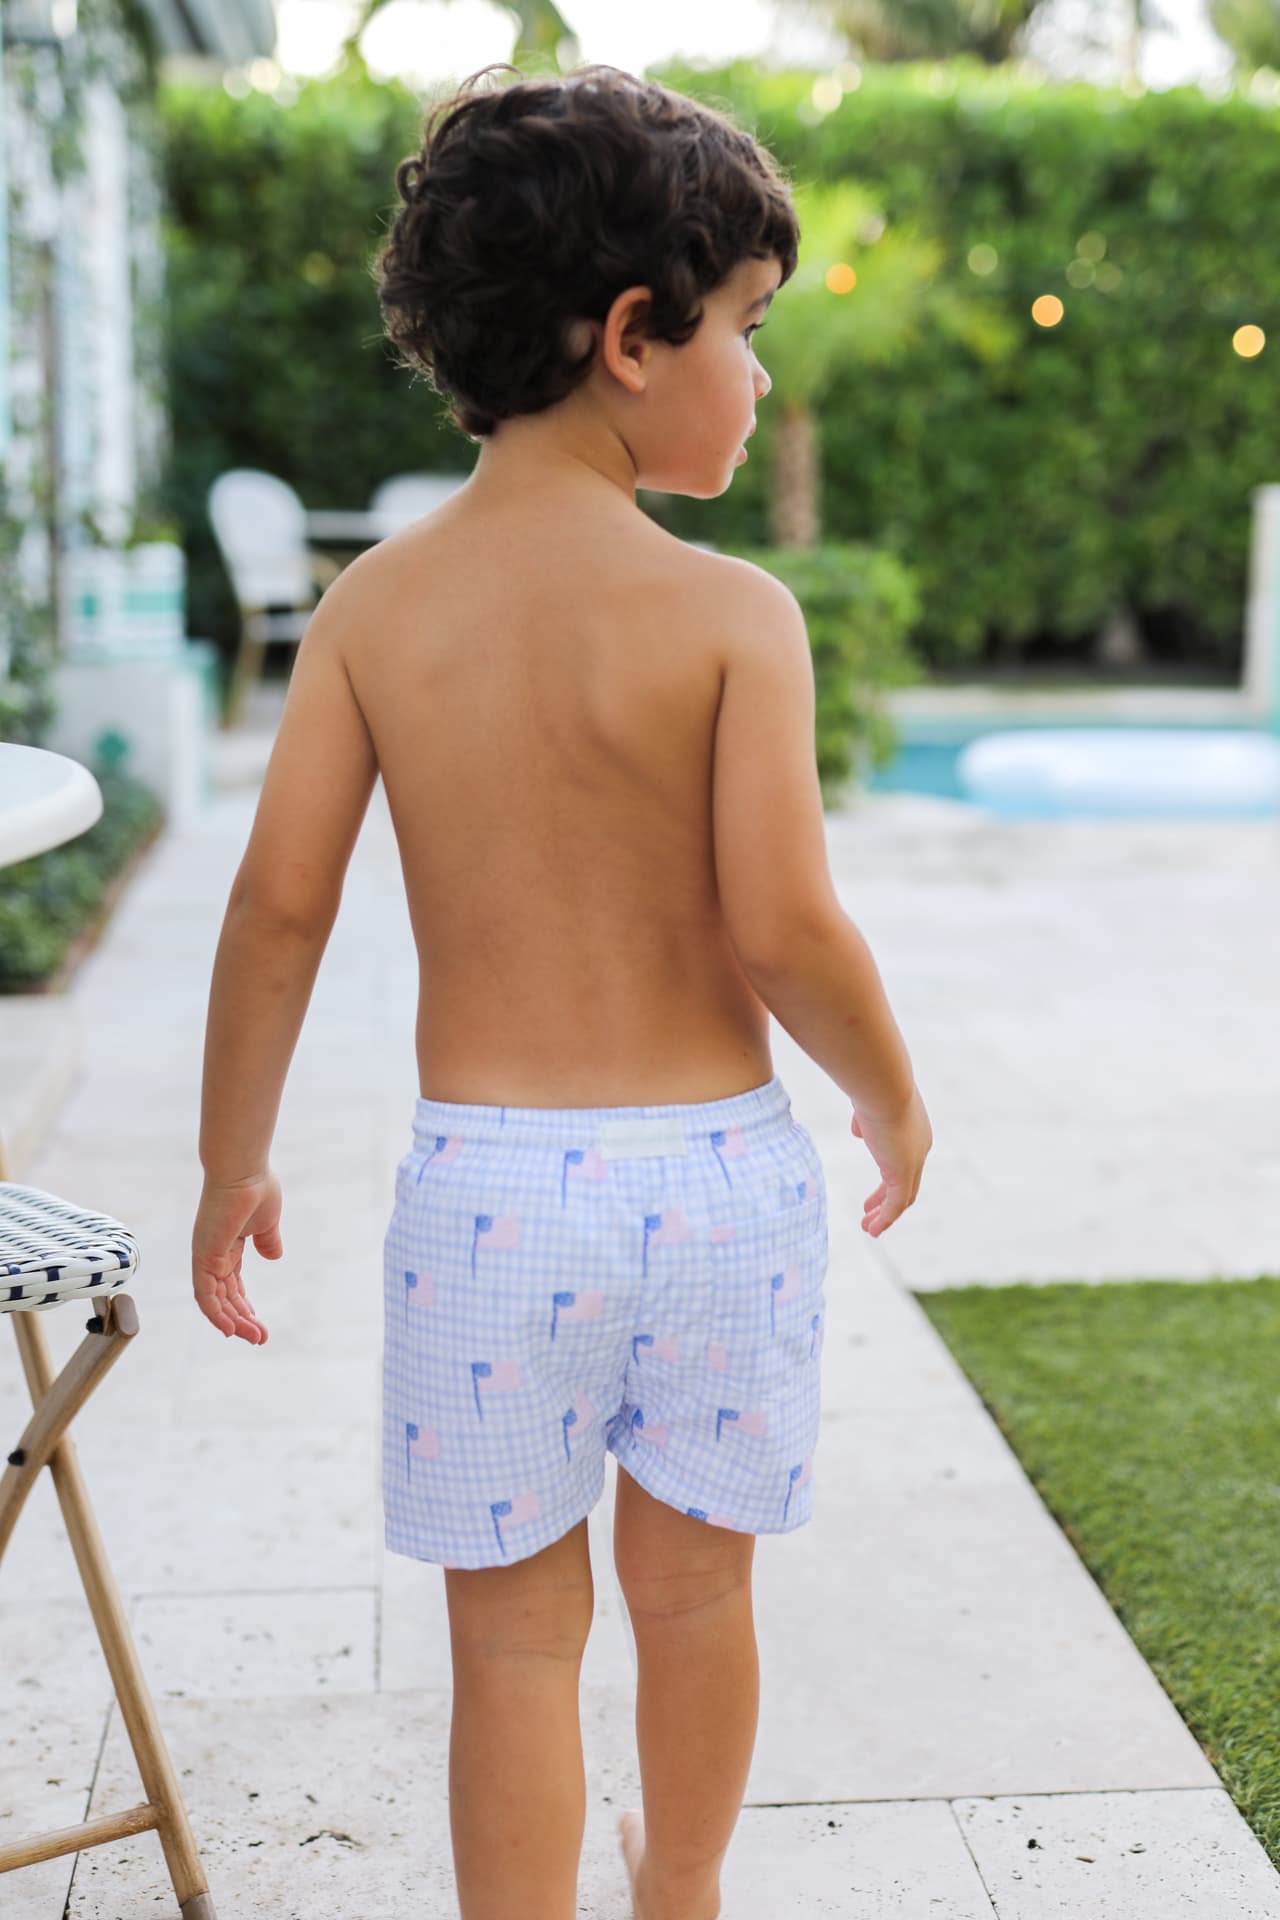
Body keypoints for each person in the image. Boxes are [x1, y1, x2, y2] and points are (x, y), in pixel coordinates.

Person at [191, 61, 932, 1920]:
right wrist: (892, 1093)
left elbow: (278, 910)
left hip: (492, 1203)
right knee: (696, 1592)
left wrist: (231, 1158)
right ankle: (678, 1890)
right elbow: (787, 930)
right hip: (718, 1191)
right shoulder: (734, 619)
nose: (759, 376)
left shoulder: (375, 610)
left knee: (515, 1644)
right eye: (746, 328)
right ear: (630, 336)